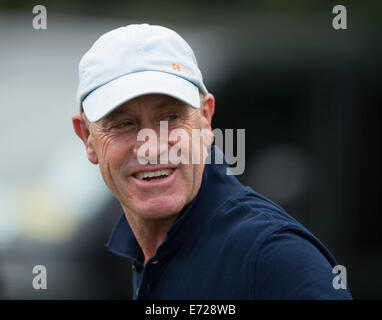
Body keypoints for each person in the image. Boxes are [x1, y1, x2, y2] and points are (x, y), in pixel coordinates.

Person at [72, 24, 352, 299]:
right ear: (87, 137)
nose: (152, 148)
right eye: (123, 123)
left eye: (170, 118)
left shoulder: (274, 257)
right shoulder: (143, 250)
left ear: (205, 119)